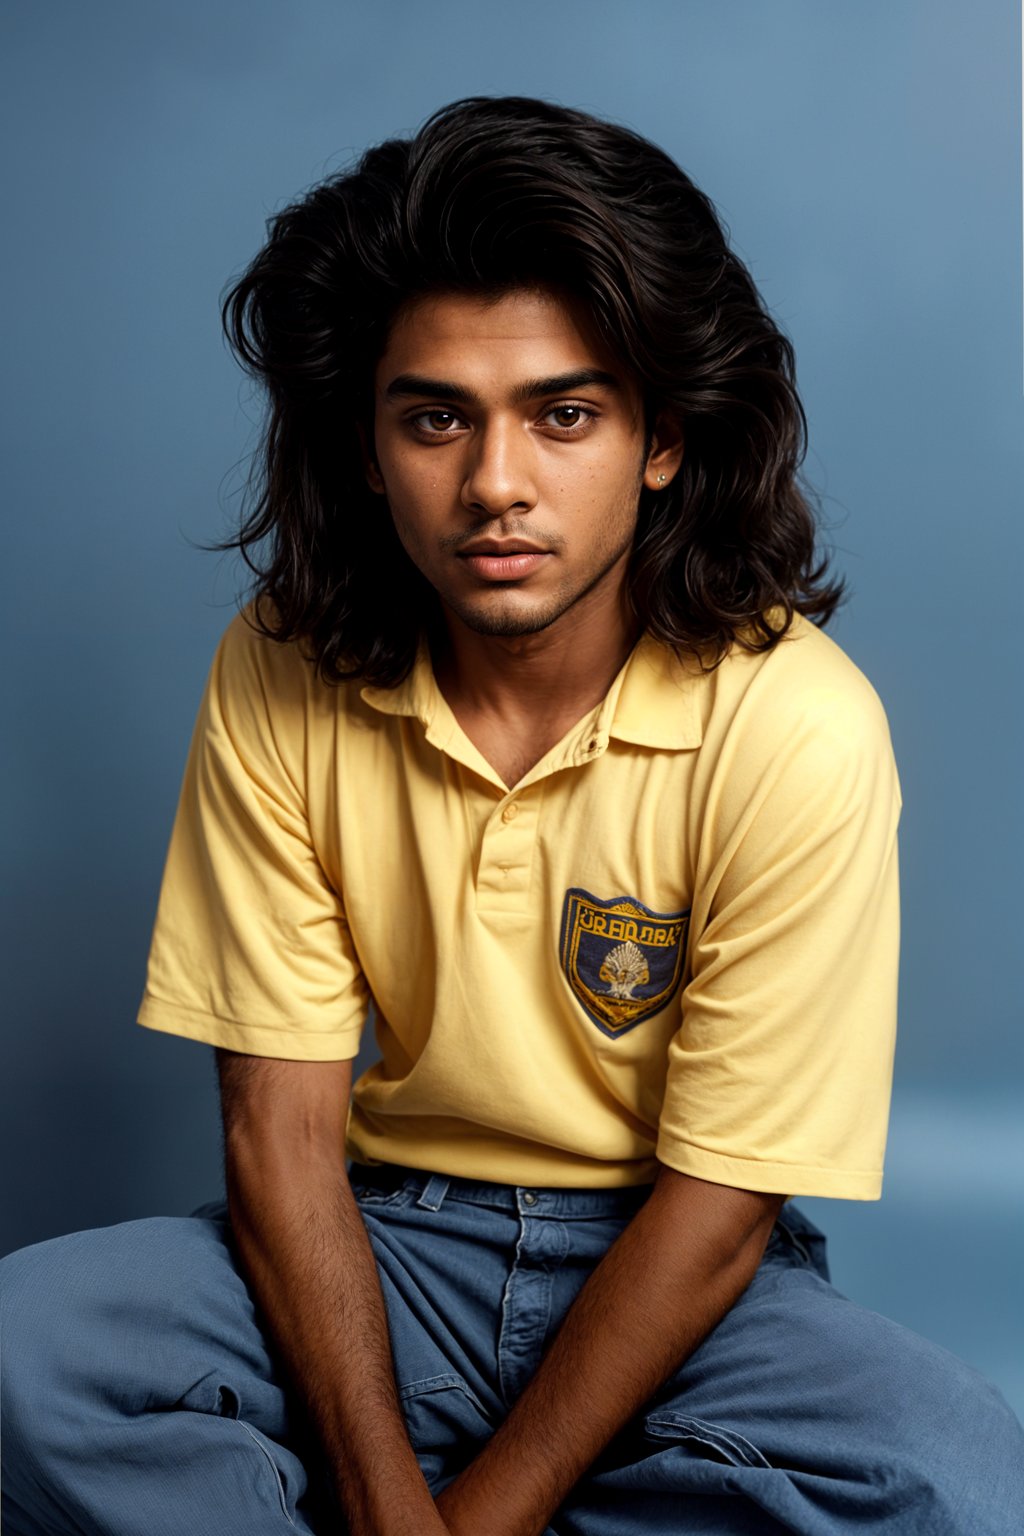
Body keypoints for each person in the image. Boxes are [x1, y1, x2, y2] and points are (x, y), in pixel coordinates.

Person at [1, 95, 1021, 1536]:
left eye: (564, 416)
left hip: (682, 1276)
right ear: (367, 447)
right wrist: (381, 1498)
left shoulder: (796, 717)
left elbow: (722, 1204)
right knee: (23, 1357)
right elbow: (279, 1132)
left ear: (661, 441)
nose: (496, 485)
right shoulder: (282, 665)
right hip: (385, 1249)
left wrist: (479, 1518)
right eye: (435, 420)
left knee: (965, 1487)